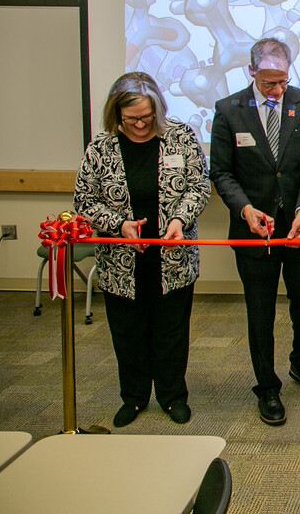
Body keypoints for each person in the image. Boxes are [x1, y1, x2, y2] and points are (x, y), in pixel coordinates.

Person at [73, 72, 210, 428]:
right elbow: (83, 200)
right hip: (121, 260)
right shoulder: (100, 148)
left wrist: (179, 220)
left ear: (158, 111)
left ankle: (172, 396)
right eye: (131, 119)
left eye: (147, 118)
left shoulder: (180, 137)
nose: (139, 125)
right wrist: (119, 225)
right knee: (128, 332)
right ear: (115, 114)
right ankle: (133, 398)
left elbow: (198, 187)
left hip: (173, 256)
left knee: (171, 330)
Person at [210, 37, 300, 426]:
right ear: (252, 72)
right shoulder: (228, 110)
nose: (277, 90)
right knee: (260, 312)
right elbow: (222, 172)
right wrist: (245, 208)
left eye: (282, 81)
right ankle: (267, 386)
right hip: (252, 230)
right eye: (268, 83)